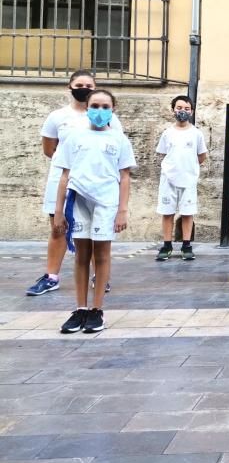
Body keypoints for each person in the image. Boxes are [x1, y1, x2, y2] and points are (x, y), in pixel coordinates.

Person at [28, 69, 123, 297]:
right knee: (58, 228)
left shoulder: (109, 117)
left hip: (97, 186)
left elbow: (117, 151)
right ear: (70, 87)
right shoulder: (57, 116)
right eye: (79, 85)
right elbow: (49, 149)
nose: (84, 89)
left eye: (89, 86)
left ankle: (99, 276)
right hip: (64, 180)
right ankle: (51, 276)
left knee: (94, 233)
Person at [54, 89, 135, 333]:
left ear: (112, 109)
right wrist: (59, 211)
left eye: (105, 106)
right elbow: (64, 175)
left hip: (106, 202)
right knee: (81, 255)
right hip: (79, 199)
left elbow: (125, 176)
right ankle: (80, 308)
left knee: (101, 254)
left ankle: (97, 309)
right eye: (95, 106)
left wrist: (122, 210)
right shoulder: (74, 137)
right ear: (87, 107)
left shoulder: (119, 139)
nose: (99, 111)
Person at [155, 95, 208, 262]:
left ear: (191, 111)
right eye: (179, 108)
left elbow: (201, 155)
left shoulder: (196, 134)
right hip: (168, 179)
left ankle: (186, 245)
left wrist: (189, 168)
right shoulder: (167, 133)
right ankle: (167, 245)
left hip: (189, 180)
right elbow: (163, 153)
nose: (182, 112)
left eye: (186, 109)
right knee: (167, 212)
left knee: (187, 213)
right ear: (173, 110)